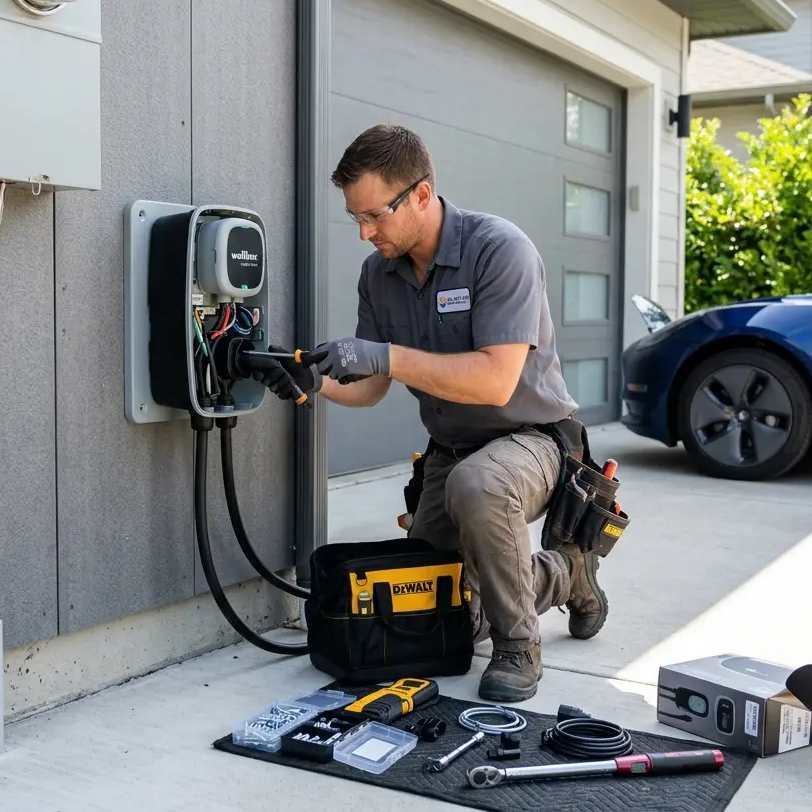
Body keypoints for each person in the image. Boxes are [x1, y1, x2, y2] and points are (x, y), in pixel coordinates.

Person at [251, 123, 609, 703]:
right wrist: (311, 380)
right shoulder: (380, 274)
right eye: (356, 218)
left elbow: (496, 382)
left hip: (533, 439)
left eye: (376, 215)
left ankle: (520, 644)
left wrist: (383, 354)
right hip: (453, 453)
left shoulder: (500, 250)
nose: (365, 233)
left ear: (421, 193)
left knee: (480, 485)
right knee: (441, 618)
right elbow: (369, 387)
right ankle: (568, 573)